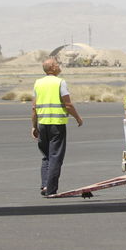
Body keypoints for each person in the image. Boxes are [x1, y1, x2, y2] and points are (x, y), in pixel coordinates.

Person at [31, 57, 83, 197]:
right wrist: (78, 118)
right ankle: (51, 189)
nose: (60, 66)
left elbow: (34, 108)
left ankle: (44, 185)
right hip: (56, 125)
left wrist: (34, 126)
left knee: (46, 156)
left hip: (42, 124)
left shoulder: (38, 83)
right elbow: (68, 104)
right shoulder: (60, 82)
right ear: (52, 68)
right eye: (57, 64)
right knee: (55, 156)